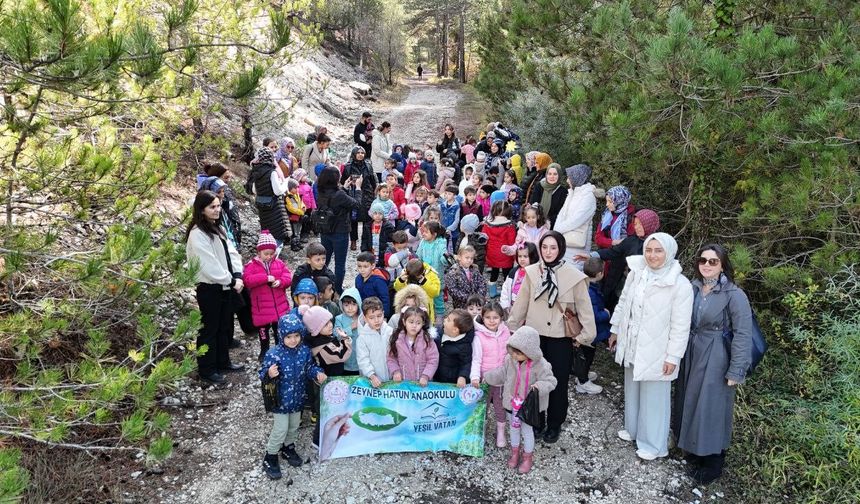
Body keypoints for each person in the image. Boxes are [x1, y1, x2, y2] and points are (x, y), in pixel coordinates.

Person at [672, 244, 753, 484]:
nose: (706, 265)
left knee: (712, 406)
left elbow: (743, 333)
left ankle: (713, 462)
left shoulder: (734, 294)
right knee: (690, 400)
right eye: (703, 260)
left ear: (723, 265)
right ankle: (695, 451)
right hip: (692, 349)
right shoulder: (692, 287)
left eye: (713, 261)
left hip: (717, 353)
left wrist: (736, 369)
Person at [609, 232, 693, 461]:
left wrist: (673, 357)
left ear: (669, 253)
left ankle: (654, 444)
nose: (652, 255)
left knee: (654, 397)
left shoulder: (680, 284)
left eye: (658, 251)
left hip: (659, 349)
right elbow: (624, 302)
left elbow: (681, 326)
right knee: (633, 387)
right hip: (634, 342)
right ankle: (634, 429)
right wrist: (616, 329)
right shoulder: (637, 274)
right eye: (648, 250)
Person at [507, 232, 596, 443]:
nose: (548, 252)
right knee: (534, 380)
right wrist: (511, 328)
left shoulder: (574, 276)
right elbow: (522, 302)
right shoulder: (531, 272)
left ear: (561, 249)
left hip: (559, 337)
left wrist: (584, 336)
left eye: (553, 247)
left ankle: (555, 424)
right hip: (534, 336)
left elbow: (585, 308)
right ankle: (536, 420)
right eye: (544, 247)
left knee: (557, 381)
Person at [185, 191, 245, 384]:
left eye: (218, 206)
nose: (217, 210)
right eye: (212, 207)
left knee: (223, 326)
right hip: (210, 287)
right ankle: (207, 369)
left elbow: (231, 252)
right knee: (209, 329)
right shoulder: (197, 234)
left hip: (224, 286)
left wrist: (237, 274)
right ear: (201, 210)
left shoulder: (216, 228)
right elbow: (208, 265)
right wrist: (230, 280)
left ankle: (222, 361)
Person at [483, 326, 558, 474]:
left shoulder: (542, 365)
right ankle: (515, 452)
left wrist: (538, 386)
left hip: (528, 407)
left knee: (527, 431)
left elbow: (551, 381)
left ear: (529, 351)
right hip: (512, 404)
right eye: (513, 352)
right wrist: (487, 377)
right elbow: (502, 373)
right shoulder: (510, 360)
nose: (514, 356)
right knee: (514, 429)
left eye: (518, 353)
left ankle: (527, 456)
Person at [260, 313, 326, 480]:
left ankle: (288, 447)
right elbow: (262, 374)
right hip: (279, 400)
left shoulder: (304, 351)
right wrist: (269, 373)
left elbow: (310, 367)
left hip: (298, 398)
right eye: (289, 336)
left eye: (297, 336)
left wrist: (317, 373)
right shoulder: (274, 354)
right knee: (280, 428)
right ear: (281, 335)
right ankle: (271, 455)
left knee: (294, 425)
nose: (293, 340)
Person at [577, 208, 661, 311]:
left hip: (645, 292)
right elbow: (613, 251)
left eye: (640, 224)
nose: (637, 227)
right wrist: (592, 255)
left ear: (649, 224)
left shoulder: (659, 245)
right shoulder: (631, 240)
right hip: (622, 284)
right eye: (635, 224)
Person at [305, 305, 352, 446]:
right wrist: (346, 340)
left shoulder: (326, 338)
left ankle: (332, 435)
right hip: (327, 383)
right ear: (316, 329)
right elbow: (341, 356)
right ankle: (318, 441)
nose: (330, 325)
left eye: (330, 321)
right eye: (325, 324)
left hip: (333, 380)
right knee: (325, 412)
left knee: (332, 409)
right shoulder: (321, 346)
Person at [243, 231, 293, 362]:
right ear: (259, 252)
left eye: (272, 253)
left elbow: (287, 277)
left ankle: (280, 349)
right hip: (262, 308)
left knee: (279, 330)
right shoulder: (251, 266)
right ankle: (264, 350)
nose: (269, 256)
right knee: (263, 332)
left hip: (279, 306)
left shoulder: (279, 263)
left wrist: (280, 282)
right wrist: (265, 278)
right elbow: (247, 281)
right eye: (266, 254)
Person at [470, 300, 512, 448]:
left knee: (500, 407)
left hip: (502, 378)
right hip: (485, 379)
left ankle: (500, 431)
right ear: (483, 317)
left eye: (495, 317)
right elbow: (476, 359)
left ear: (501, 317)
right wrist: (475, 377)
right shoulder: (478, 337)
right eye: (488, 317)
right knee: (483, 406)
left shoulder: (506, 332)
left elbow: (511, 354)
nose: (492, 321)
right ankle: (481, 429)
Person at [316, 166, 363, 293]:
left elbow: (334, 200)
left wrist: (344, 187)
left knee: (324, 259)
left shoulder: (320, 190)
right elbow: (356, 204)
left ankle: (322, 286)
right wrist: (358, 188)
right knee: (340, 263)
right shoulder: (339, 195)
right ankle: (337, 289)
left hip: (325, 230)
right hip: (340, 232)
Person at [575, 257, 610, 395]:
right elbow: (593, 315)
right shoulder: (591, 291)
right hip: (591, 331)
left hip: (588, 330)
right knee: (587, 356)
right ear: (600, 274)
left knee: (586, 355)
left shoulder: (586, 285)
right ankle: (582, 382)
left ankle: (582, 375)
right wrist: (606, 314)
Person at [552, 164, 597, 268]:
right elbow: (562, 214)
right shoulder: (572, 193)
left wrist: (557, 230)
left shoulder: (588, 197)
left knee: (573, 275)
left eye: (569, 177)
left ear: (577, 177)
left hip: (576, 246)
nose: (567, 181)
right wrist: (556, 230)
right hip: (564, 242)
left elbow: (576, 220)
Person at [247, 146, 290, 247]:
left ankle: (266, 253)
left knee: (267, 232)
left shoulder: (255, 171)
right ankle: (272, 258)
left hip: (262, 206)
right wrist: (285, 183)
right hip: (274, 206)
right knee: (278, 235)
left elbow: (254, 190)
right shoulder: (272, 172)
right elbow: (278, 191)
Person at [387, 305, 438, 387]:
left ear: (423, 323)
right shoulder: (397, 340)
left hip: (422, 385)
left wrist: (426, 376)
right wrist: (396, 371)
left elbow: (433, 359)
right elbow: (391, 358)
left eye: (418, 323)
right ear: (404, 322)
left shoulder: (427, 340)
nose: (414, 326)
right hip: (403, 385)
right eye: (411, 322)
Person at [340, 146, 377, 251]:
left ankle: (365, 240)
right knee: (353, 219)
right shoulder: (348, 167)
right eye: (358, 152)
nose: (361, 154)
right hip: (353, 193)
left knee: (367, 218)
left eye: (362, 152)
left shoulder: (368, 165)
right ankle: (353, 241)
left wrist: (374, 193)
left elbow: (373, 181)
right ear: (354, 154)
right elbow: (343, 181)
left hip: (367, 194)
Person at [356, 297, 393, 387]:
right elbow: (363, 360)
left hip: (391, 378)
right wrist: (372, 376)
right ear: (365, 318)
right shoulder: (362, 338)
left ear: (383, 314)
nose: (376, 320)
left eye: (379, 316)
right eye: (371, 317)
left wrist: (395, 371)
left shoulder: (390, 332)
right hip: (373, 381)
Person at [484, 201, 517, 298]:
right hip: (505, 254)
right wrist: (514, 256)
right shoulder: (509, 226)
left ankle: (492, 292)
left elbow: (484, 238)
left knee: (494, 272)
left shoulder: (487, 223)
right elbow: (512, 242)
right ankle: (507, 291)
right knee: (507, 273)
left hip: (492, 253)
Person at [393, 259, 441, 324]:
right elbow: (397, 289)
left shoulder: (431, 274)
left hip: (425, 309)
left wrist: (423, 281)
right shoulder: (406, 272)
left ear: (422, 272)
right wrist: (401, 280)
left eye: (416, 277)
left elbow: (435, 292)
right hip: (408, 310)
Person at [434, 309, 475, 386]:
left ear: (455, 330)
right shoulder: (439, 334)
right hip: (437, 377)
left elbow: (466, 363)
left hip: (452, 382)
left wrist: (462, 377)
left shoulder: (464, 346)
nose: (445, 320)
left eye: (448, 320)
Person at [416, 221, 449, 317]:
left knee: (438, 298)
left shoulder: (440, 243)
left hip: (436, 277)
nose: (423, 234)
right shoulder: (423, 242)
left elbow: (443, 257)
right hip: (424, 275)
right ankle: (425, 316)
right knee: (424, 298)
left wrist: (446, 258)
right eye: (423, 231)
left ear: (434, 234)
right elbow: (419, 256)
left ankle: (439, 318)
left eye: (426, 232)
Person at [445, 245, 488, 309]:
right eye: (467, 258)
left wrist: (478, 296)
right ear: (459, 257)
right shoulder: (453, 272)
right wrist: (469, 298)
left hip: (476, 304)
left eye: (471, 258)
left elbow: (482, 283)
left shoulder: (475, 269)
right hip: (461, 305)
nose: (469, 260)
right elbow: (453, 290)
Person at [500, 242, 539, 313]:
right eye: (520, 256)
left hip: (527, 309)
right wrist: (505, 305)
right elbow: (505, 288)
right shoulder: (513, 272)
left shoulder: (536, 273)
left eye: (525, 256)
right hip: (512, 306)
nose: (522, 259)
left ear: (532, 256)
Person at [334, 288, 363, 376]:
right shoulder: (339, 319)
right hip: (345, 361)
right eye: (346, 305)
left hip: (360, 360)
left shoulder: (363, 318)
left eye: (354, 304)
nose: (350, 308)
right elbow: (337, 335)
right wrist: (351, 327)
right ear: (341, 305)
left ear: (359, 304)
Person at [529, 163, 567, 228]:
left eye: (555, 174)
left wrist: (547, 222)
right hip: (535, 224)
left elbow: (560, 212)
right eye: (549, 174)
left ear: (559, 175)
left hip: (552, 226)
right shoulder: (539, 186)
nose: (552, 176)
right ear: (546, 174)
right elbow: (533, 203)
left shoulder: (563, 192)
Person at [355, 251, 391, 318]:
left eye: (365, 267)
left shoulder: (379, 282)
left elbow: (385, 299)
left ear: (373, 266)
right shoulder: (358, 278)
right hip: (363, 313)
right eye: (359, 266)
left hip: (376, 314)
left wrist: (384, 316)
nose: (362, 270)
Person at [284, 179, 306, 252]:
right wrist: (300, 212)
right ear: (290, 188)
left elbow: (301, 202)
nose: (297, 189)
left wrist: (303, 207)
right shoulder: (288, 197)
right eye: (295, 188)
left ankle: (298, 243)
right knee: (294, 232)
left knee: (299, 230)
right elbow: (290, 208)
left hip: (299, 216)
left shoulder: (297, 195)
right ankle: (293, 245)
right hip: (292, 217)